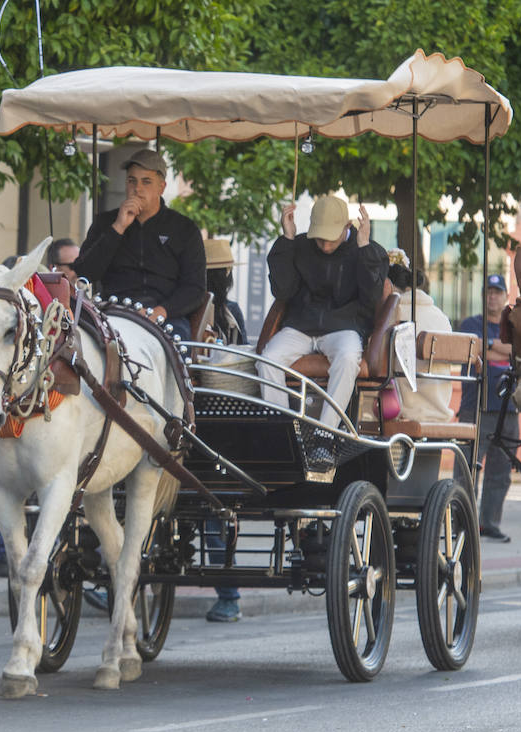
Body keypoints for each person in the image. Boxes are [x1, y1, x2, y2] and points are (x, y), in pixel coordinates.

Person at [256, 195, 387, 439]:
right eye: (319, 238)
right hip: (300, 326)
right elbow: (282, 291)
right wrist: (287, 239)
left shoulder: (367, 250)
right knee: (268, 360)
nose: (325, 245)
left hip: (344, 327)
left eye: (330, 238)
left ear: (348, 227)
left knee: (349, 359)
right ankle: (285, 433)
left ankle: (325, 434)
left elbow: (371, 298)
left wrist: (365, 247)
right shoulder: (301, 246)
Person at [74, 148, 206, 339]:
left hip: (166, 317)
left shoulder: (184, 229)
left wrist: (162, 311)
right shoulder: (105, 222)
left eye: (146, 182)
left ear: (161, 187)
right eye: (131, 181)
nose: (137, 188)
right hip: (112, 311)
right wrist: (118, 228)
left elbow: (195, 288)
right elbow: (85, 272)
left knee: (181, 349)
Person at [203, 238, 246, 622]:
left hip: (200, 417)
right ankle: (228, 595)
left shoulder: (212, 314)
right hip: (228, 419)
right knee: (217, 510)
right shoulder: (231, 313)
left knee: (212, 511)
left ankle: (230, 595)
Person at [458, 274, 515, 543]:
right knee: (467, 467)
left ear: (505, 296)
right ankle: (462, 523)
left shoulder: (515, 327)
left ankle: (489, 523)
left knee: (500, 472)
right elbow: (471, 350)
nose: (492, 296)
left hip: (508, 409)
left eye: (497, 291)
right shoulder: (471, 324)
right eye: (488, 291)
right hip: (475, 407)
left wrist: (490, 346)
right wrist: (503, 349)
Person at [389, 251, 455, 422]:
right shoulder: (441, 316)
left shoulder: (394, 315)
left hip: (406, 415)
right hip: (441, 414)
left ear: (389, 285)